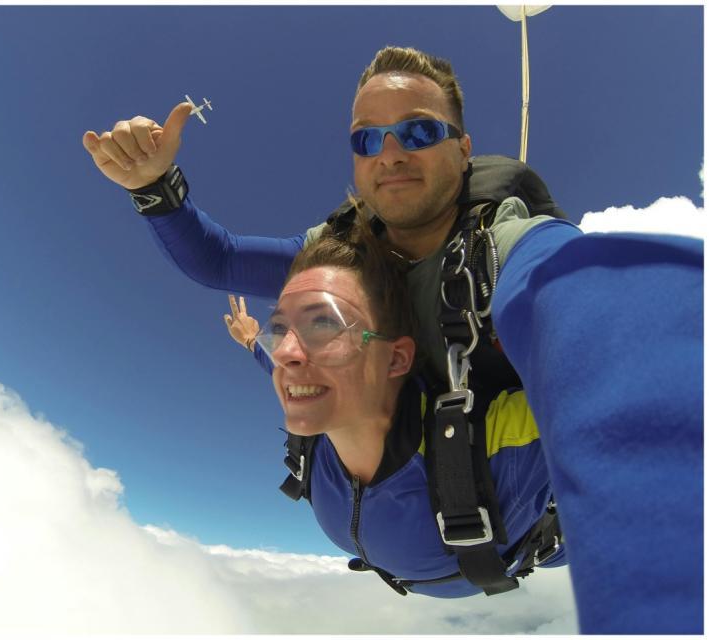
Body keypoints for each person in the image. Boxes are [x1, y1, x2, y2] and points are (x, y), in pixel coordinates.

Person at [83, 46, 702, 632]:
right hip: (399, 527)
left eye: (419, 131)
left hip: (507, 521)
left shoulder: (510, 251)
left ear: (463, 150)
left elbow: (594, 314)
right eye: (367, 138)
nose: (390, 151)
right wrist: (155, 187)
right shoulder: (338, 257)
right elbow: (219, 264)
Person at [222, 211, 565, 599]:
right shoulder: (317, 407)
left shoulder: (495, 448)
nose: (286, 353)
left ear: (395, 359)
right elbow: (275, 362)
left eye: (324, 325)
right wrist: (253, 339)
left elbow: (610, 391)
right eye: (280, 330)